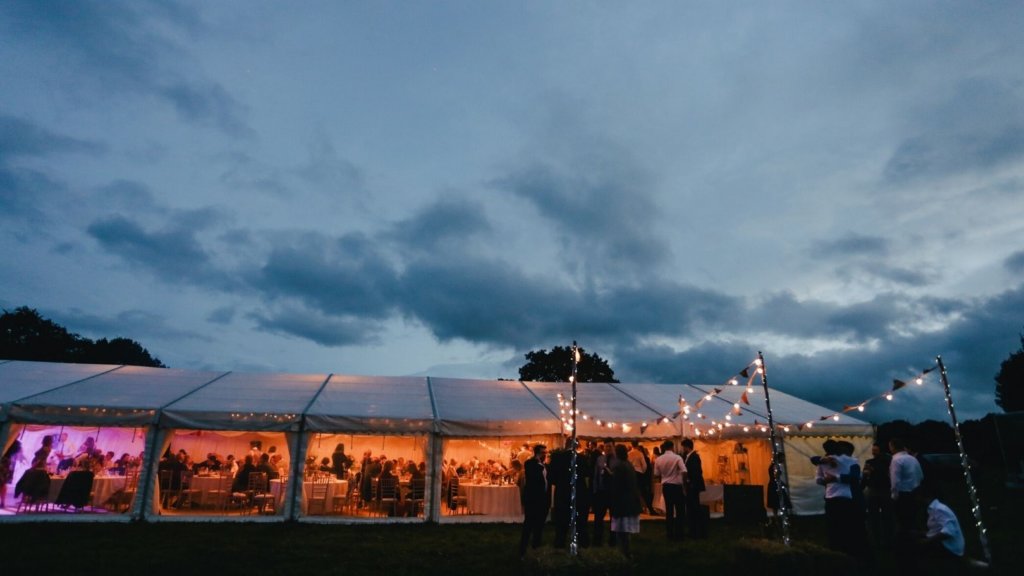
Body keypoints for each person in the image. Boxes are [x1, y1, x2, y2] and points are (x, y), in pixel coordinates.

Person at [609, 444, 642, 559]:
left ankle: (623, 553)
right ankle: (626, 552)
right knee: (626, 530)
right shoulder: (629, 465)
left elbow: (617, 485)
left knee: (621, 530)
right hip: (631, 500)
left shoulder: (619, 467)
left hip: (622, 502)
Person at [519, 444, 550, 559]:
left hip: (543, 500)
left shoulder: (545, 465)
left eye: (545, 453)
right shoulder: (530, 463)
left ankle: (536, 548)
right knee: (528, 525)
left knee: (540, 526)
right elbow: (533, 476)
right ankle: (522, 550)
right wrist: (540, 463)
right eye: (542, 453)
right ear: (537, 453)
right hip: (533, 499)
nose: (544, 455)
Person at [889, 437, 923, 538]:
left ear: (893, 447)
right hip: (915, 492)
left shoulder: (896, 460)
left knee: (902, 522)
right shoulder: (913, 458)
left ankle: (905, 543)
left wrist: (894, 496)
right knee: (913, 519)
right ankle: (914, 540)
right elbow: (921, 476)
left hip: (903, 495)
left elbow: (895, 481)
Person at [863, 441, 893, 546]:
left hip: (885, 490)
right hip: (873, 490)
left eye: (875, 450)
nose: (873, 452)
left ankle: (887, 539)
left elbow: (888, 474)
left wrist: (874, 470)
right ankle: (876, 539)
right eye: (873, 450)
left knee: (887, 516)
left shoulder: (888, 461)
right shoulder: (869, 461)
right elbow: (865, 476)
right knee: (873, 516)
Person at [654, 439, 686, 541]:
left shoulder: (659, 459)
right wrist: (684, 483)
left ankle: (669, 533)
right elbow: (684, 471)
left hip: (666, 487)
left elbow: (656, 474)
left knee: (669, 511)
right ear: (672, 447)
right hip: (677, 486)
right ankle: (679, 534)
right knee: (680, 511)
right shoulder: (677, 458)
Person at [681, 438, 706, 538]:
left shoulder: (694, 457)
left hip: (693, 486)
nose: (683, 449)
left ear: (687, 447)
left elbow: (697, 471)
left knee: (694, 506)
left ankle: (695, 529)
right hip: (691, 485)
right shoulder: (688, 456)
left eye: (683, 447)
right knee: (691, 507)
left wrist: (690, 481)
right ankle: (693, 528)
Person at [1, 440, 25, 508]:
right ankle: (3, 502)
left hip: (4, 461)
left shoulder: (10, 441)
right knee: (3, 483)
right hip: (7, 461)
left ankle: (3, 502)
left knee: (2, 483)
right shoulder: (15, 443)